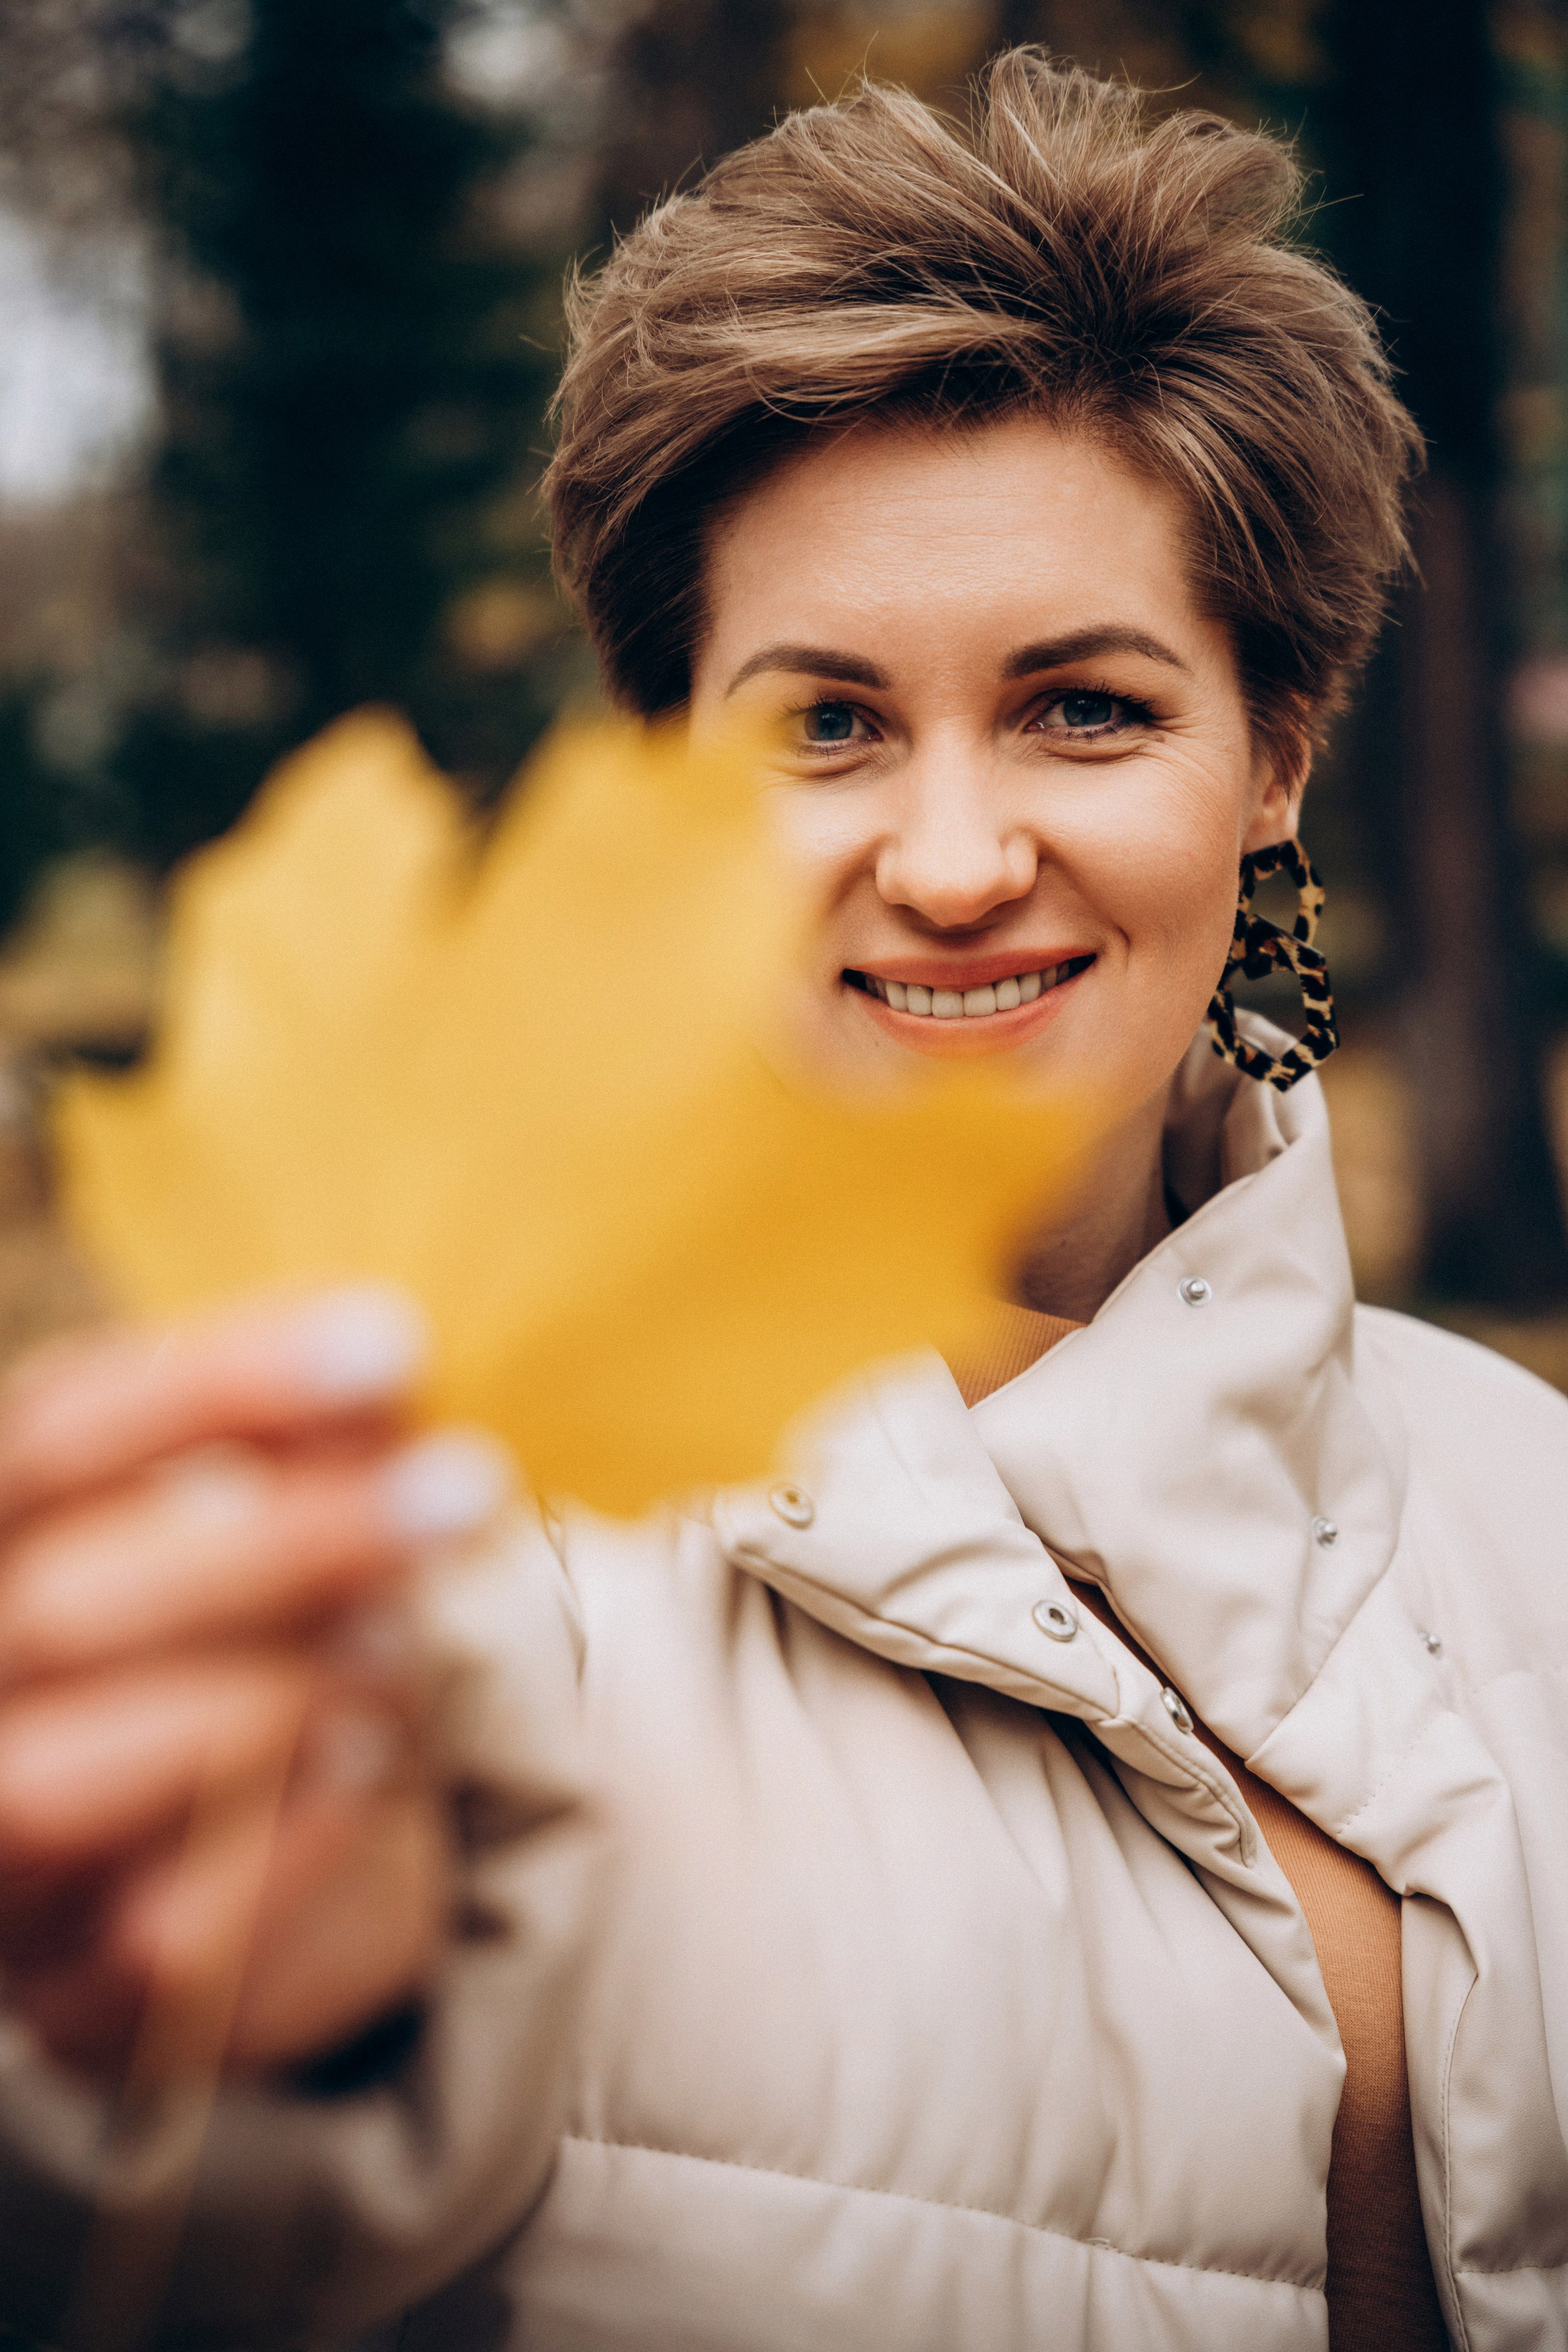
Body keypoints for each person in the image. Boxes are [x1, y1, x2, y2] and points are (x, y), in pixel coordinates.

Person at [0, 50, 1563, 2352]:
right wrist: (207, 2058)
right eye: (823, 726)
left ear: (1276, 755)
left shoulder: (1532, 1495)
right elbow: (170, 2218)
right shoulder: (444, 1560)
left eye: (1087, 710)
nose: (950, 862)